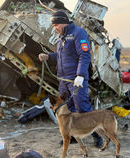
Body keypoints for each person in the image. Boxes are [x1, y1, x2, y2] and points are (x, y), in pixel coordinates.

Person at [38, 11, 103, 148]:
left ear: (63, 22)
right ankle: (72, 136)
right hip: (64, 81)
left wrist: (80, 75)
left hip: (76, 80)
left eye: (56, 25)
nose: (55, 28)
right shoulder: (61, 37)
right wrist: (49, 57)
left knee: (83, 108)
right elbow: (62, 55)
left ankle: (97, 136)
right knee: (69, 109)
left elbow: (84, 55)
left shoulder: (79, 33)